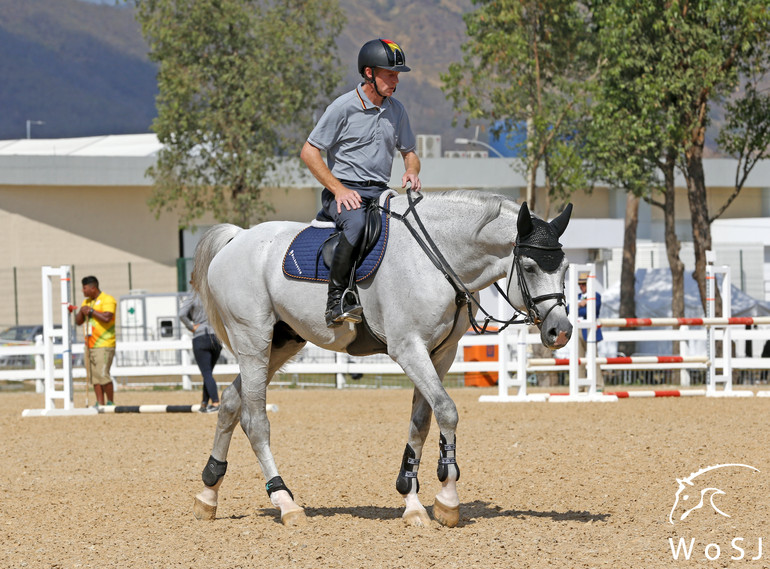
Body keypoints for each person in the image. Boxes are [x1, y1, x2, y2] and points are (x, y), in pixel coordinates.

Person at [300, 38, 422, 328]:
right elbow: (309, 151)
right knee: (355, 225)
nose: (396, 81)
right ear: (369, 73)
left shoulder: (397, 110)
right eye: (390, 74)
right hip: (343, 192)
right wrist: (339, 189)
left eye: (398, 75)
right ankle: (336, 301)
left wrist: (412, 171)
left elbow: (410, 154)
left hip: (380, 191)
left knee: (411, 222)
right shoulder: (343, 107)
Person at [68, 276, 116, 407]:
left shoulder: (108, 299)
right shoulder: (86, 302)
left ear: (92, 287)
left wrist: (92, 312)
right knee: (94, 377)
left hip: (104, 344)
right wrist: (81, 312)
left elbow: (107, 317)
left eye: (84, 288)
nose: (82, 291)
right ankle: (99, 403)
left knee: (103, 374)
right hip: (89, 345)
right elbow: (78, 322)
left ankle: (110, 402)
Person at [180, 291, 221, 413]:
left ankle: (215, 402)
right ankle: (204, 403)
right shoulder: (214, 295)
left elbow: (182, 314)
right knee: (208, 373)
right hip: (216, 337)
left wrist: (191, 327)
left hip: (201, 337)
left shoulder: (193, 297)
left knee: (206, 373)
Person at [576, 271, 603, 388]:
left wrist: (581, 306)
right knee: (579, 360)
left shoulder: (596, 296)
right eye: (580, 284)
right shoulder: (577, 297)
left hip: (590, 330)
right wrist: (579, 305)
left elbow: (592, 310)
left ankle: (598, 385)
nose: (581, 287)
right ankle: (580, 386)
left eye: (584, 284)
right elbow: (568, 310)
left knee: (594, 359)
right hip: (579, 329)